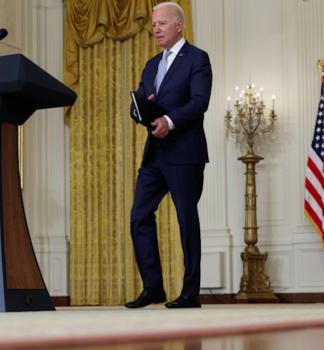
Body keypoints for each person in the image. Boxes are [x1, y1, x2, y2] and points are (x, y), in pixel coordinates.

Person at [125, 2, 212, 309]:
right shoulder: (150, 65)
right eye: (154, 24)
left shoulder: (197, 59)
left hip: (185, 152)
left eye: (162, 23)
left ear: (179, 26)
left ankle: (190, 293)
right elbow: (140, 101)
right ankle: (153, 288)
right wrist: (140, 110)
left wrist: (170, 120)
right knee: (139, 216)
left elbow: (200, 102)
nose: (156, 29)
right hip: (154, 154)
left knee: (186, 219)